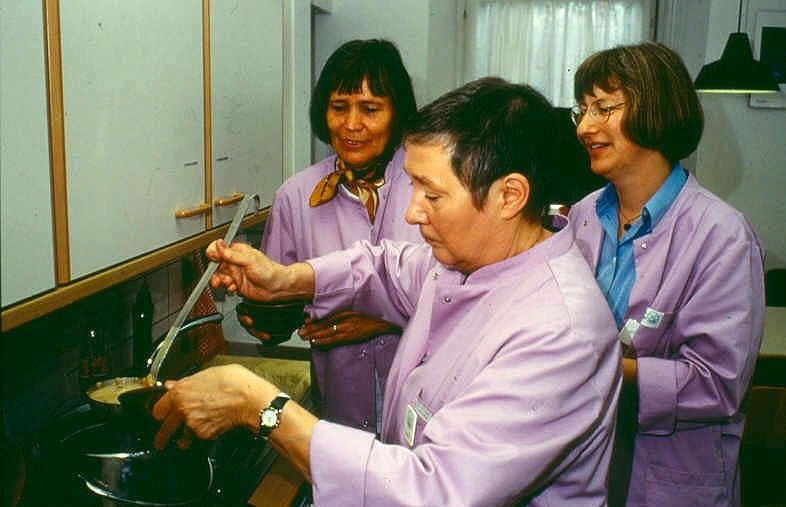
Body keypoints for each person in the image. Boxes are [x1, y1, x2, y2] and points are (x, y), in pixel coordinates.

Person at [153, 77, 622, 506]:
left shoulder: (560, 330)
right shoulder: (472, 261)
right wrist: (286, 279)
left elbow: (432, 491)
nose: (414, 212)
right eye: (413, 186)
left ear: (510, 196)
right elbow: (382, 265)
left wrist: (260, 407)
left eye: (432, 194)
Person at [568, 42, 765, 507]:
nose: (585, 126)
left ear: (655, 109)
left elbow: (718, 384)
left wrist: (606, 370)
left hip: (670, 482)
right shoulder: (581, 217)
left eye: (603, 108)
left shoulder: (722, 236)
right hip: (586, 467)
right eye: (582, 109)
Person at [242, 39, 423, 433]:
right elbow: (280, 305)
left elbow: (462, 299)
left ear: (397, 114)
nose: (351, 124)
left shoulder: (428, 187)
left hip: (421, 422)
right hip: (339, 420)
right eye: (339, 107)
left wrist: (385, 322)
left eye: (370, 109)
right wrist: (264, 318)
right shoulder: (296, 196)